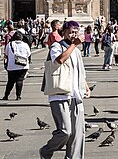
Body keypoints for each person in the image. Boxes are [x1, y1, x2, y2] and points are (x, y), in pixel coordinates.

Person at [39, 20, 90, 159]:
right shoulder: (57, 46)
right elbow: (59, 60)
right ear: (64, 32)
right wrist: (74, 44)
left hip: (76, 95)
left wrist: (85, 86)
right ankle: (46, 150)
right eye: (71, 32)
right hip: (60, 95)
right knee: (65, 131)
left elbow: (79, 71)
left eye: (76, 32)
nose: (73, 35)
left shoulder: (76, 51)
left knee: (77, 134)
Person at [4, 30, 31, 100]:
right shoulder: (25, 45)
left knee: (10, 81)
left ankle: (6, 95)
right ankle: (18, 96)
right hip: (23, 65)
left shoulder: (9, 44)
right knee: (20, 80)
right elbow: (28, 54)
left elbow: (6, 54)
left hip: (12, 65)